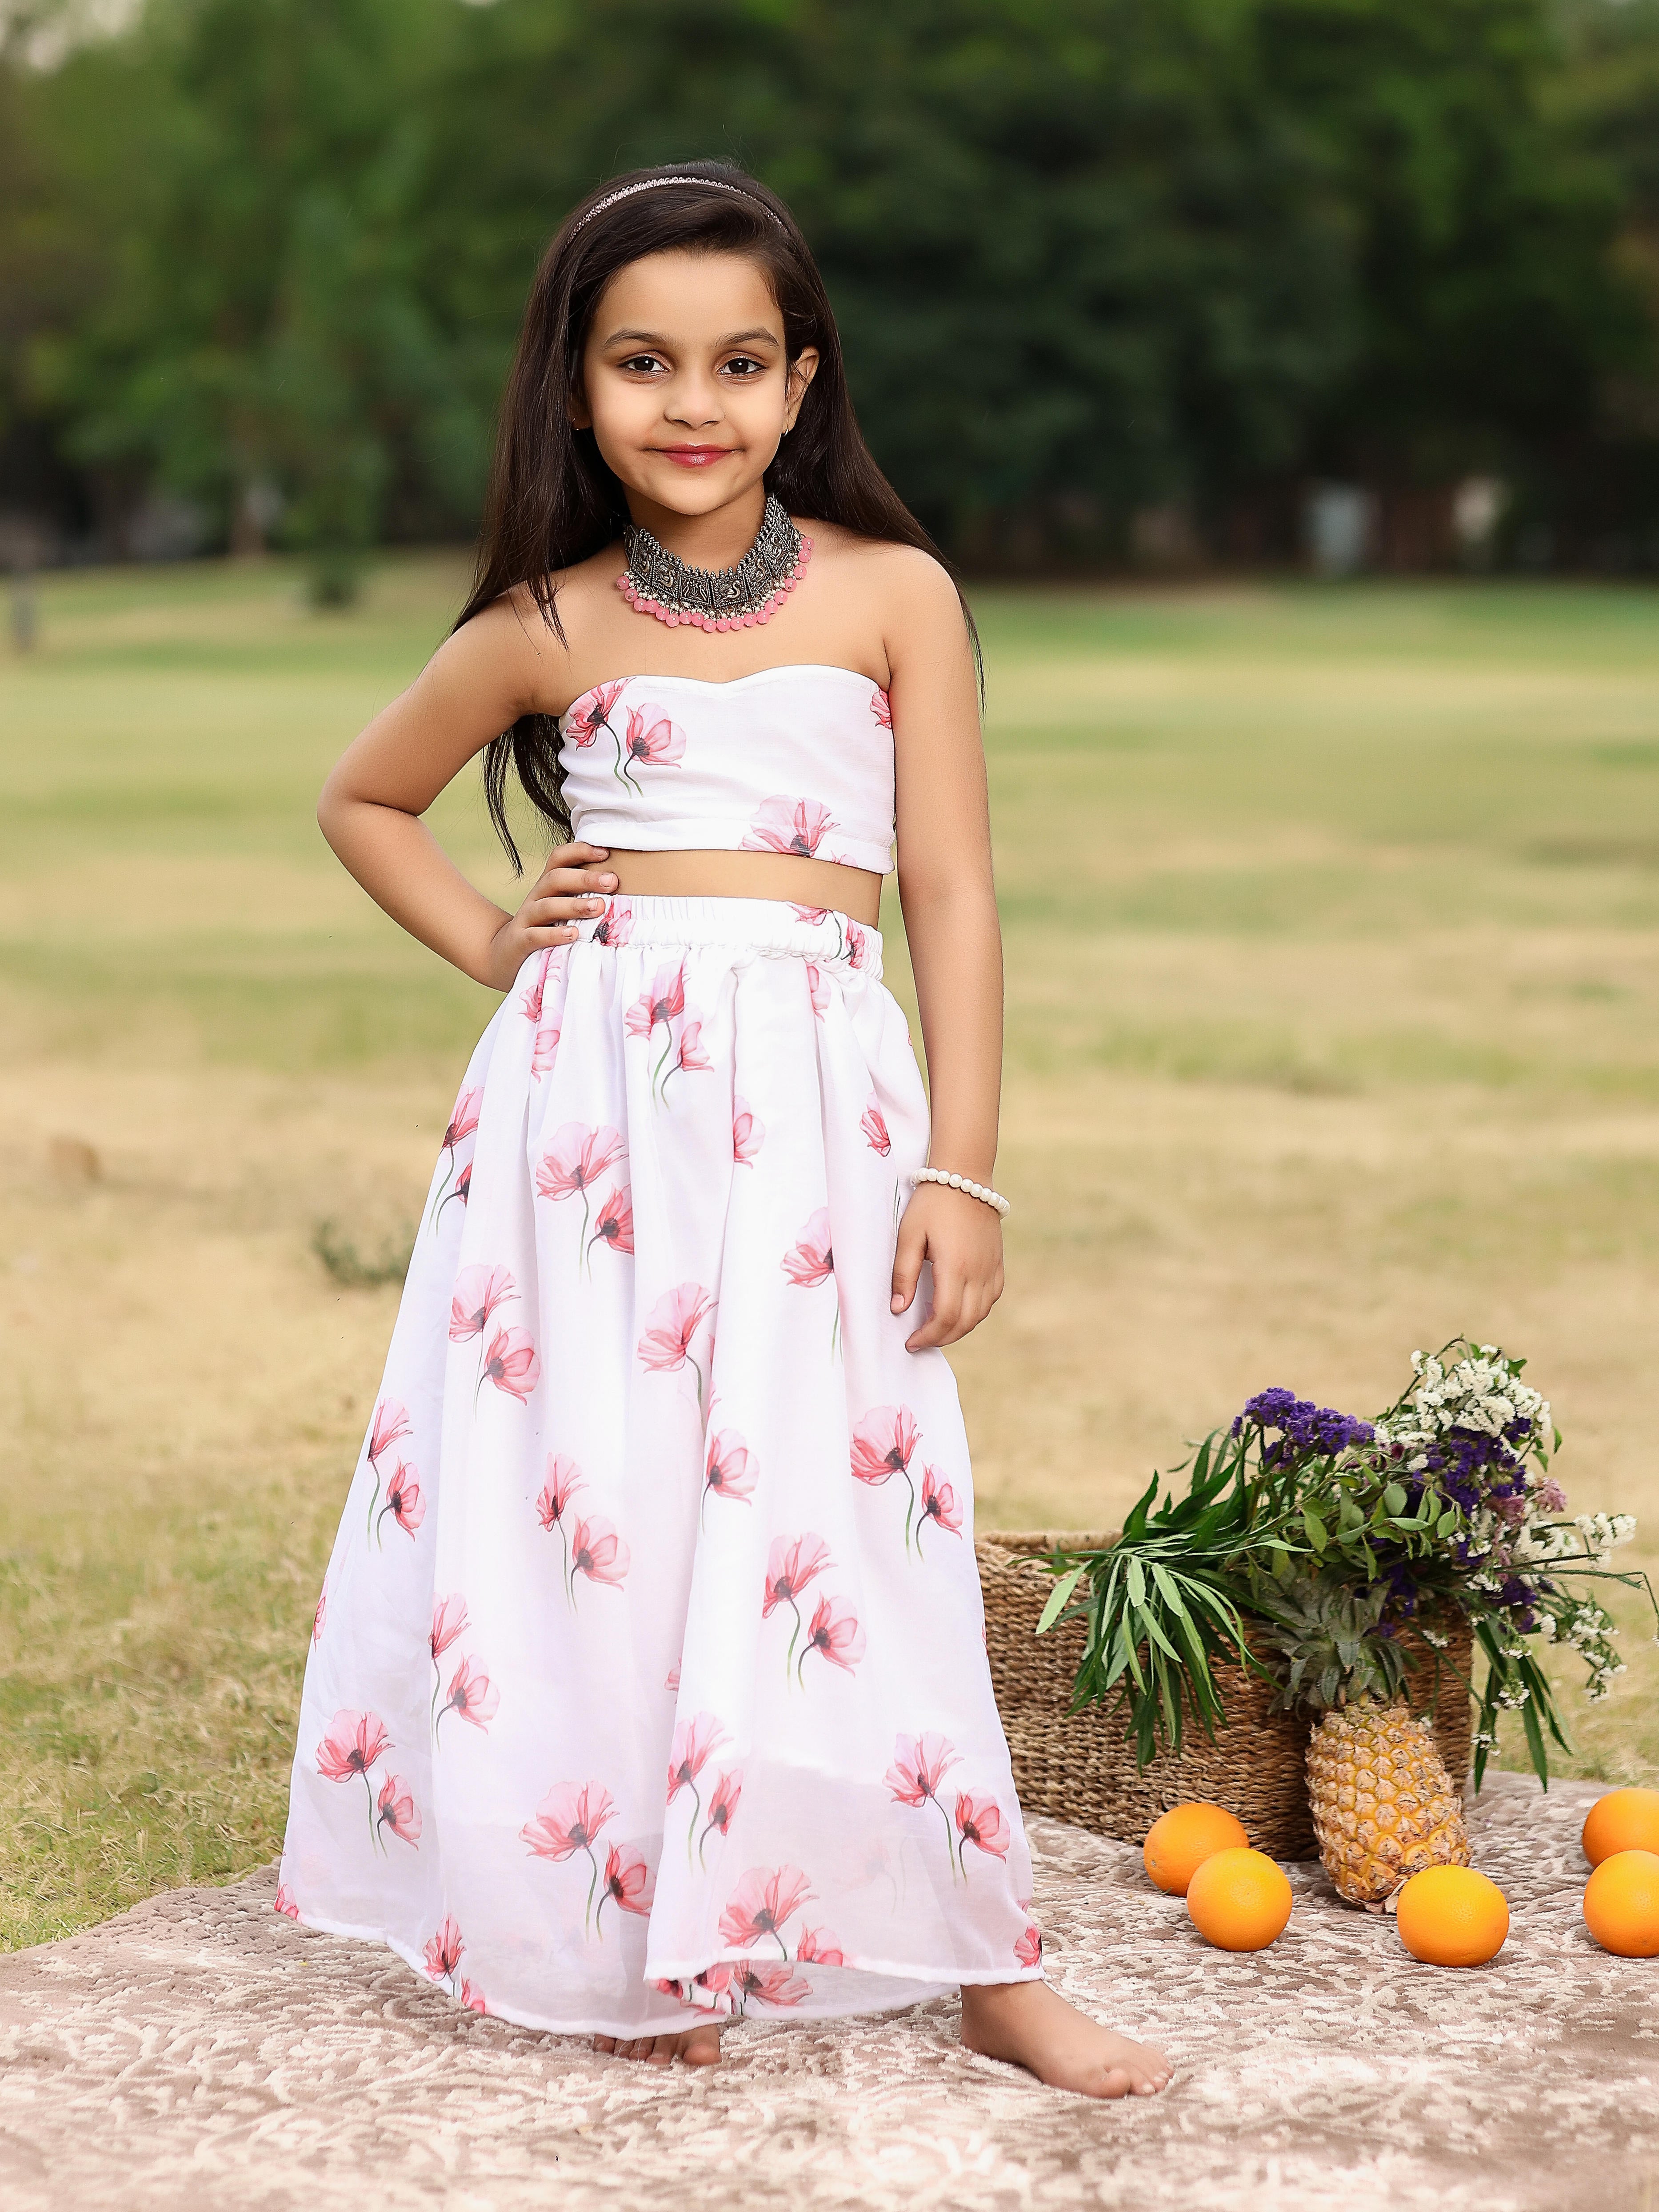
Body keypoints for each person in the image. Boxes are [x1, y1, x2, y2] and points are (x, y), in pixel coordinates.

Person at [277, 160, 1171, 2102]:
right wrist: (495, 944)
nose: (693, 404)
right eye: (643, 363)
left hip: (824, 1121)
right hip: (590, 1129)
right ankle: (642, 1929)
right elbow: (363, 799)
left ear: (802, 379)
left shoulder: (894, 596)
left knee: (860, 1505)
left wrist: (963, 1165)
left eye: (739, 362)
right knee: (609, 1505)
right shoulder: (544, 622)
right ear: (574, 386)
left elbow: (955, 893)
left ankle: (983, 1956)